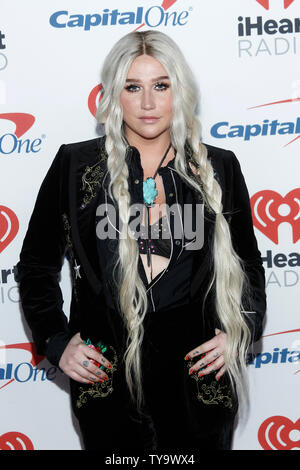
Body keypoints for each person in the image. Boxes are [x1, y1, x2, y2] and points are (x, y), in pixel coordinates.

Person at [16, 30, 266, 452]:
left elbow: (249, 266)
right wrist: (55, 342)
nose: (148, 103)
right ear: (114, 94)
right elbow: (37, 266)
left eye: (161, 86)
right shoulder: (75, 166)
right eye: (133, 87)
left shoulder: (219, 167)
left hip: (199, 388)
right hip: (107, 385)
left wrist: (240, 332)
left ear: (179, 91)